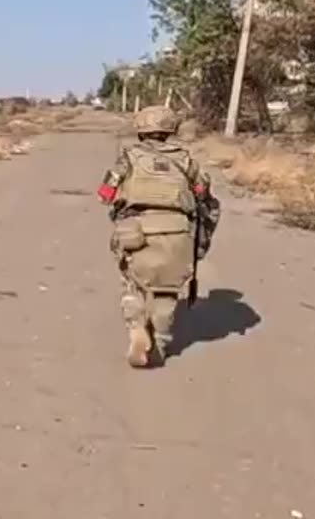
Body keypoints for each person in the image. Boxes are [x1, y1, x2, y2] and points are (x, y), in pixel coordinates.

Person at [95, 106, 221, 368]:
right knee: (167, 292)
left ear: (141, 130)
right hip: (177, 233)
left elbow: (105, 193)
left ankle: (137, 327)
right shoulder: (186, 161)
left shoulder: (128, 158)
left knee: (133, 284)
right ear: (170, 130)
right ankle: (160, 343)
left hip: (136, 232)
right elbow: (204, 195)